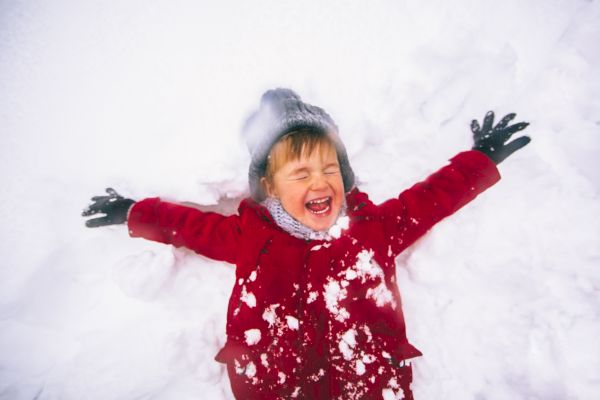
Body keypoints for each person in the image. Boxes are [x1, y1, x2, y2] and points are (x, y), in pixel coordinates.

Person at [82, 88, 530, 399]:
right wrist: (135, 212)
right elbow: (192, 227)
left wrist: (480, 160)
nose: (320, 182)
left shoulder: (373, 229)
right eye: (300, 174)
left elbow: (429, 201)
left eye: (329, 169)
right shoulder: (250, 237)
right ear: (269, 188)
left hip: (370, 388)